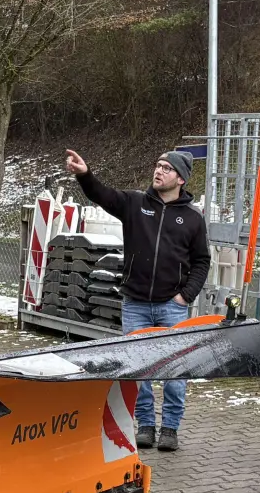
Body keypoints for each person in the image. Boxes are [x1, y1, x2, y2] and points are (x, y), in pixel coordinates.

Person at [66, 148, 210, 452]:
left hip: (173, 306)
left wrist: (186, 296)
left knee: (175, 369)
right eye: (157, 165)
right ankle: (145, 424)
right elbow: (101, 195)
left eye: (167, 168)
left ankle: (170, 427)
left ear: (181, 178)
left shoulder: (193, 218)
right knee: (138, 370)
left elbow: (201, 261)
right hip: (136, 304)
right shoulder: (134, 203)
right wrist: (84, 174)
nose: (158, 171)